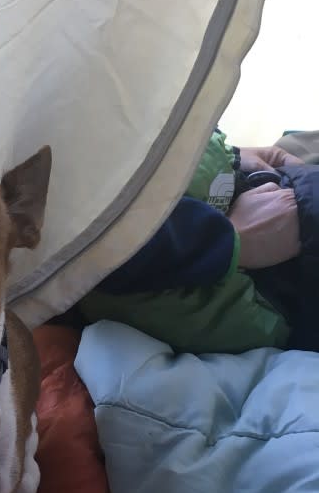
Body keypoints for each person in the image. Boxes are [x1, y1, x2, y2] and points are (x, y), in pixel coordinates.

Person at [77, 130, 319, 353]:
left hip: (262, 196)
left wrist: (225, 152)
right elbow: (90, 248)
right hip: (270, 272)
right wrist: (225, 241)